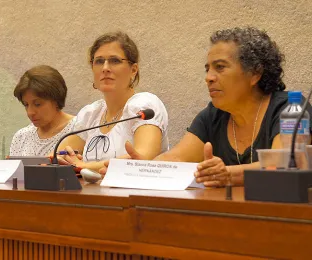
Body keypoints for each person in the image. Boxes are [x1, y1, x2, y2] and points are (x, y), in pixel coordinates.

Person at [108, 27, 312, 187]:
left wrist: (226, 175)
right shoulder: (214, 115)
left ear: (255, 73)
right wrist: (140, 168)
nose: (209, 78)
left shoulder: (290, 108)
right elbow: (177, 158)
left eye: (220, 67)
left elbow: (285, 165)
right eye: (207, 69)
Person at [58, 31, 169, 172]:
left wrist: (83, 166)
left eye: (114, 61)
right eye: (99, 61)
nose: (105, 68)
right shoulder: (91, 113)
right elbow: (59, 156)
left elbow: (141, 159)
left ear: (133, 70)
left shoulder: (144, 106)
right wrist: (61, 158)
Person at [9, 65, 75, 157]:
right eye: (26, 105)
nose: (30, 112)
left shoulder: (80, 129)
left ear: (56, 99)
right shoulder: (22, 136)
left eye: (37, 104)